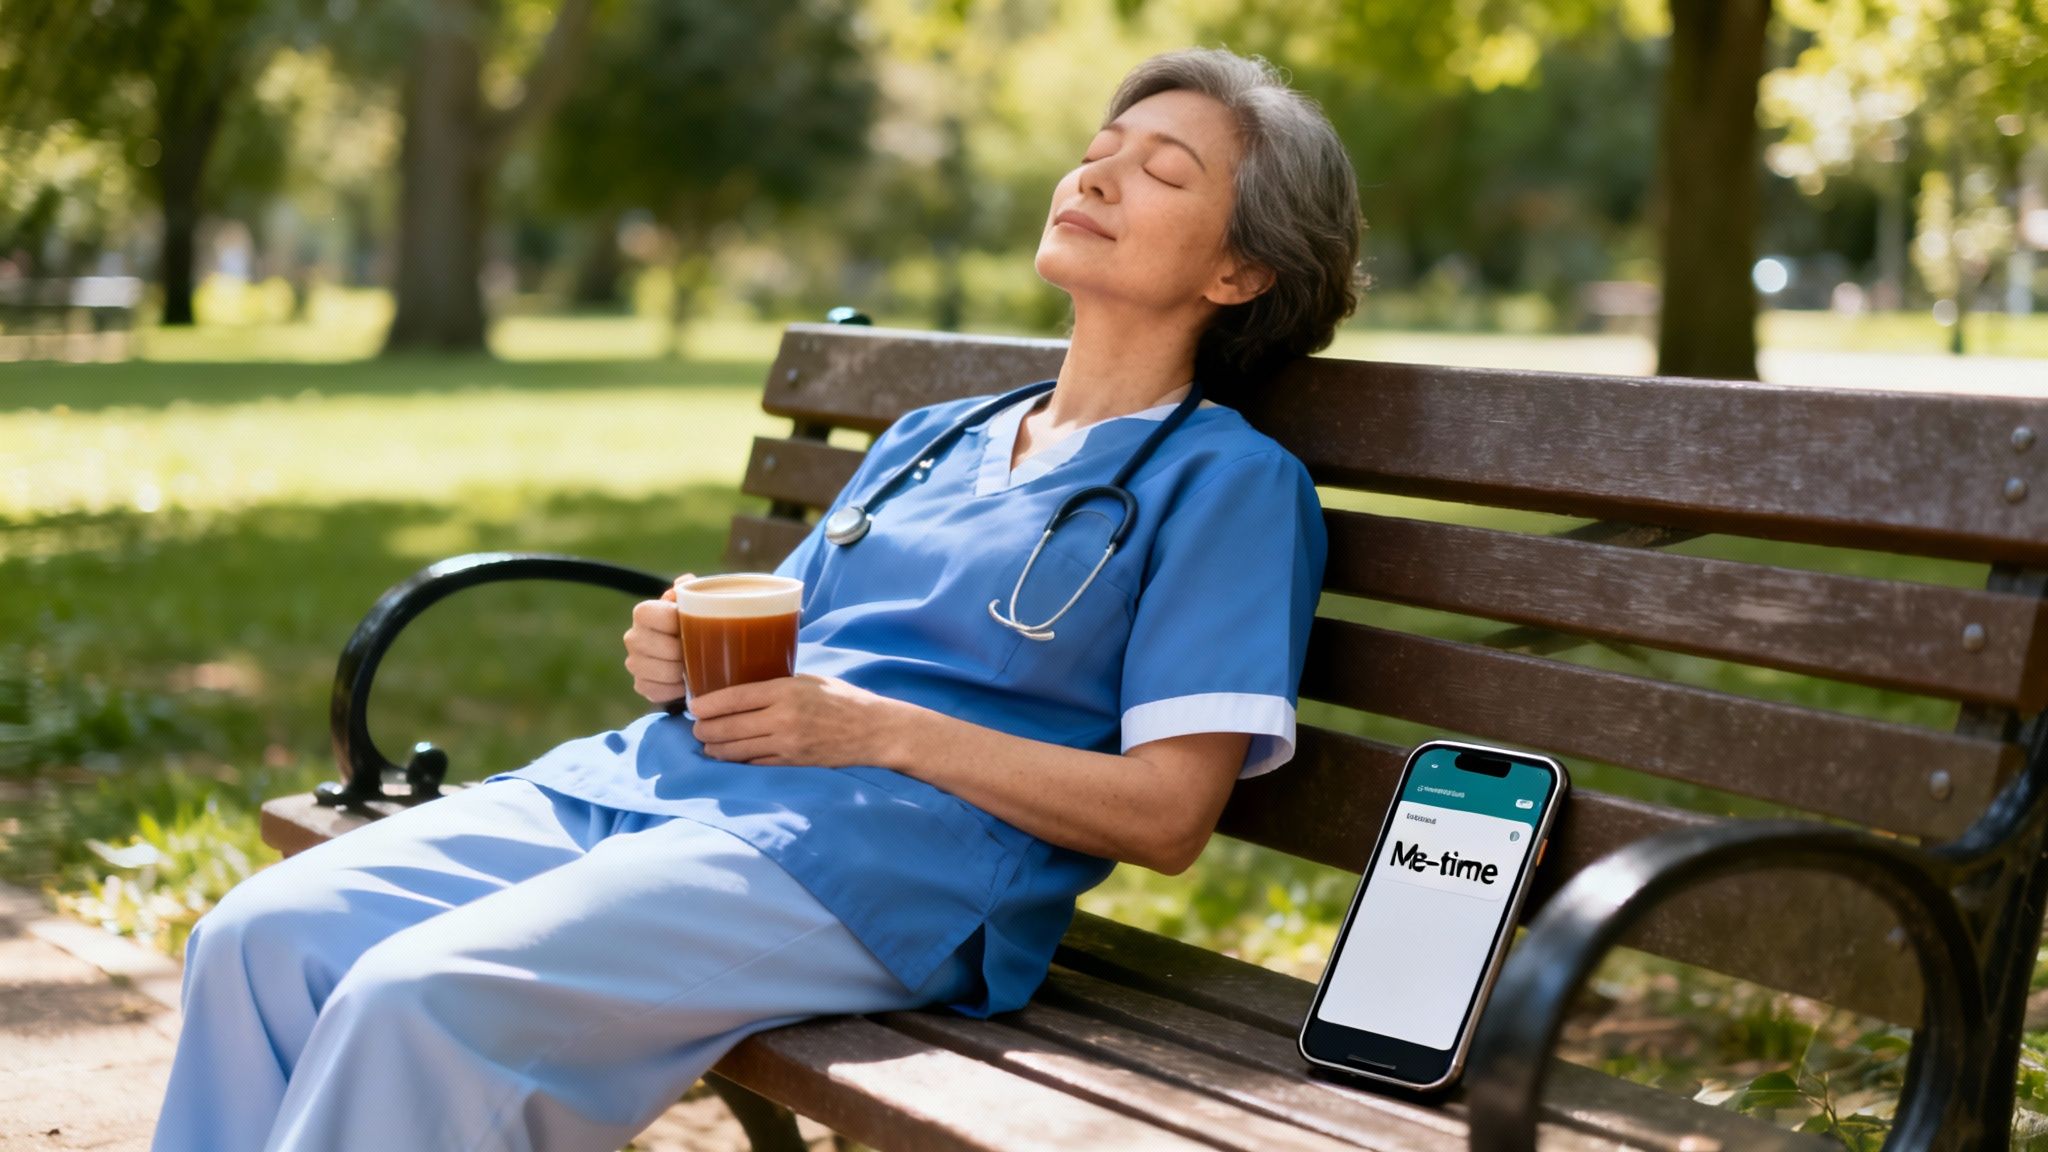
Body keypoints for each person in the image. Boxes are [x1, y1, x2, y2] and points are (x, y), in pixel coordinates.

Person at [152, 44, 1363, 1152]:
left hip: (876, 869)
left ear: (1239, 266)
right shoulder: (933, 437)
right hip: (652, 790)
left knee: (420, 1003)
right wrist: (680, 656)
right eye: (1096, 152)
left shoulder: (1230, 487)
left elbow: (1165, 817)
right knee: (259, 940)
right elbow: (784, 653)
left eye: (1159, 171)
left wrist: (874, 730)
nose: (1094, 179)